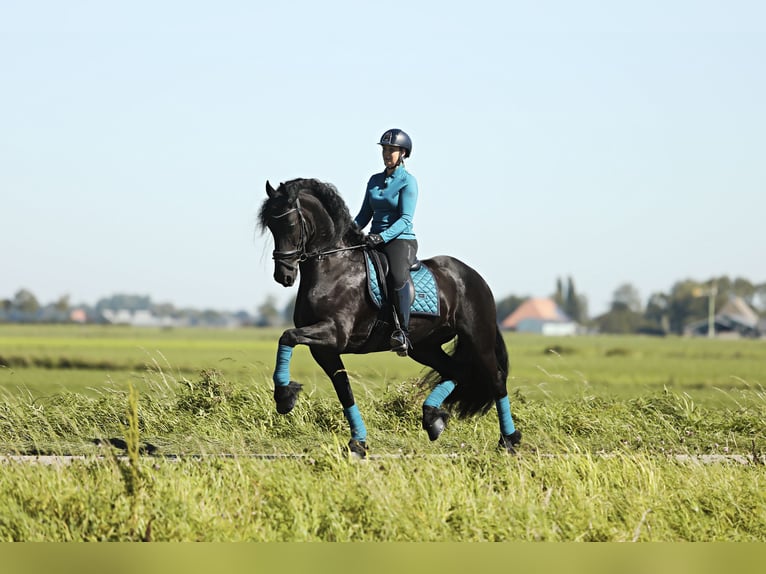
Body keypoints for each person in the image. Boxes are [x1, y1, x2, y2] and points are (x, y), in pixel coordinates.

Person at [354, 128, 418, 356]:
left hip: (400, 240)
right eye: (384, 149)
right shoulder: (374, 180)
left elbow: (405, 219)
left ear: (403, 153)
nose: (387, 154)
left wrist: (382, 237)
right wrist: (346, 232)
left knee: (397, 276)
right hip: (373, 238)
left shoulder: (408, 182)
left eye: (392, 150)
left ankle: (403, 332)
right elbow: (363, 215)